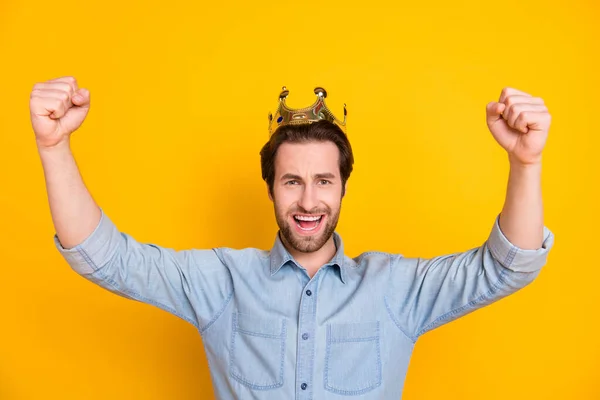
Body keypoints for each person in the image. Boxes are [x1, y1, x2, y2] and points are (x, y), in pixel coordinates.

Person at [30, 76, 555, 399]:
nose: (308, 202)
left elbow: (507, 266)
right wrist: (53, 147)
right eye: (292, 181)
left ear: (344, 186)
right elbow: (104, 259)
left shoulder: (396, 288)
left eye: (324, 180)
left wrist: (525, 162)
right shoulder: (221, 282)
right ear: (270, 188)